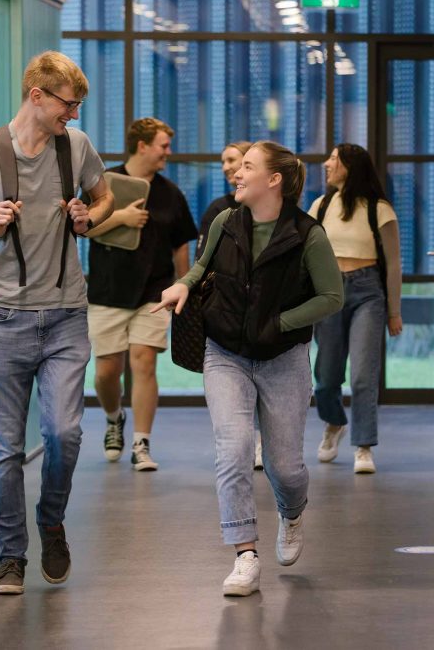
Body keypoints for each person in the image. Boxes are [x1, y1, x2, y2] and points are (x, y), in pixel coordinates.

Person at [0, 51, 114, 595]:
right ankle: (11, 556)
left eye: (78, 105)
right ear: (37, 95)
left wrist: (89, 217)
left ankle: (52, 520)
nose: (74, 115)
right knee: (5, 448)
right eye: (68, 104)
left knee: (64, 432)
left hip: (64, 316)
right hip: (4, 317)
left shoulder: (75, 148)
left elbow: (104, 201)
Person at [153, 141, 343, 597]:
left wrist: (281, 323)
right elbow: (201, 267)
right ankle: (245, 555)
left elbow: (332, 297)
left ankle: (292, 513)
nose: (236, 173)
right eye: (238, 167)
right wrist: (182, 286)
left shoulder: (307, 234)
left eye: (247, 167)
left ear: (273, 180)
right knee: (233, 448)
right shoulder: (225, 221)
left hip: (284, 359)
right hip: (225, 354)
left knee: (285, 467)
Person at [86, 118, 198, 470]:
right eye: (163, 145)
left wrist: (185, 288)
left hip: (154, 291)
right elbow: (81, 227)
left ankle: (141, 444)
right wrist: (120, 217)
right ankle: (113, 417)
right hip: (107, 291)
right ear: (142, 145)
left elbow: (181, 247)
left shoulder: (171, 194)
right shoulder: (103, 184)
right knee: (107, 372)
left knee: (144, 362)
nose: (168, 152)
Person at [307, 144, 403, 474]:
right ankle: (334, 423)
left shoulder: (380, 209)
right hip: (329, 291)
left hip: (368, 293)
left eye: (333, 159)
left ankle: (363, 446)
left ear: (350, 165)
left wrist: (394, 311)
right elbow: (304, 255)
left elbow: (392, 264)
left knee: (363, 375)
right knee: (326, 377)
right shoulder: (320, 206)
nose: (326, 164)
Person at [196, 140, 266, 471]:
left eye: (235, 161)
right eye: (224, 161)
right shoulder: (218, 211)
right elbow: (203, 260)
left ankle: (262, 440)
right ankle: (241, 442)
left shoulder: (273, 212)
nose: (228, 167)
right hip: (225, 313)